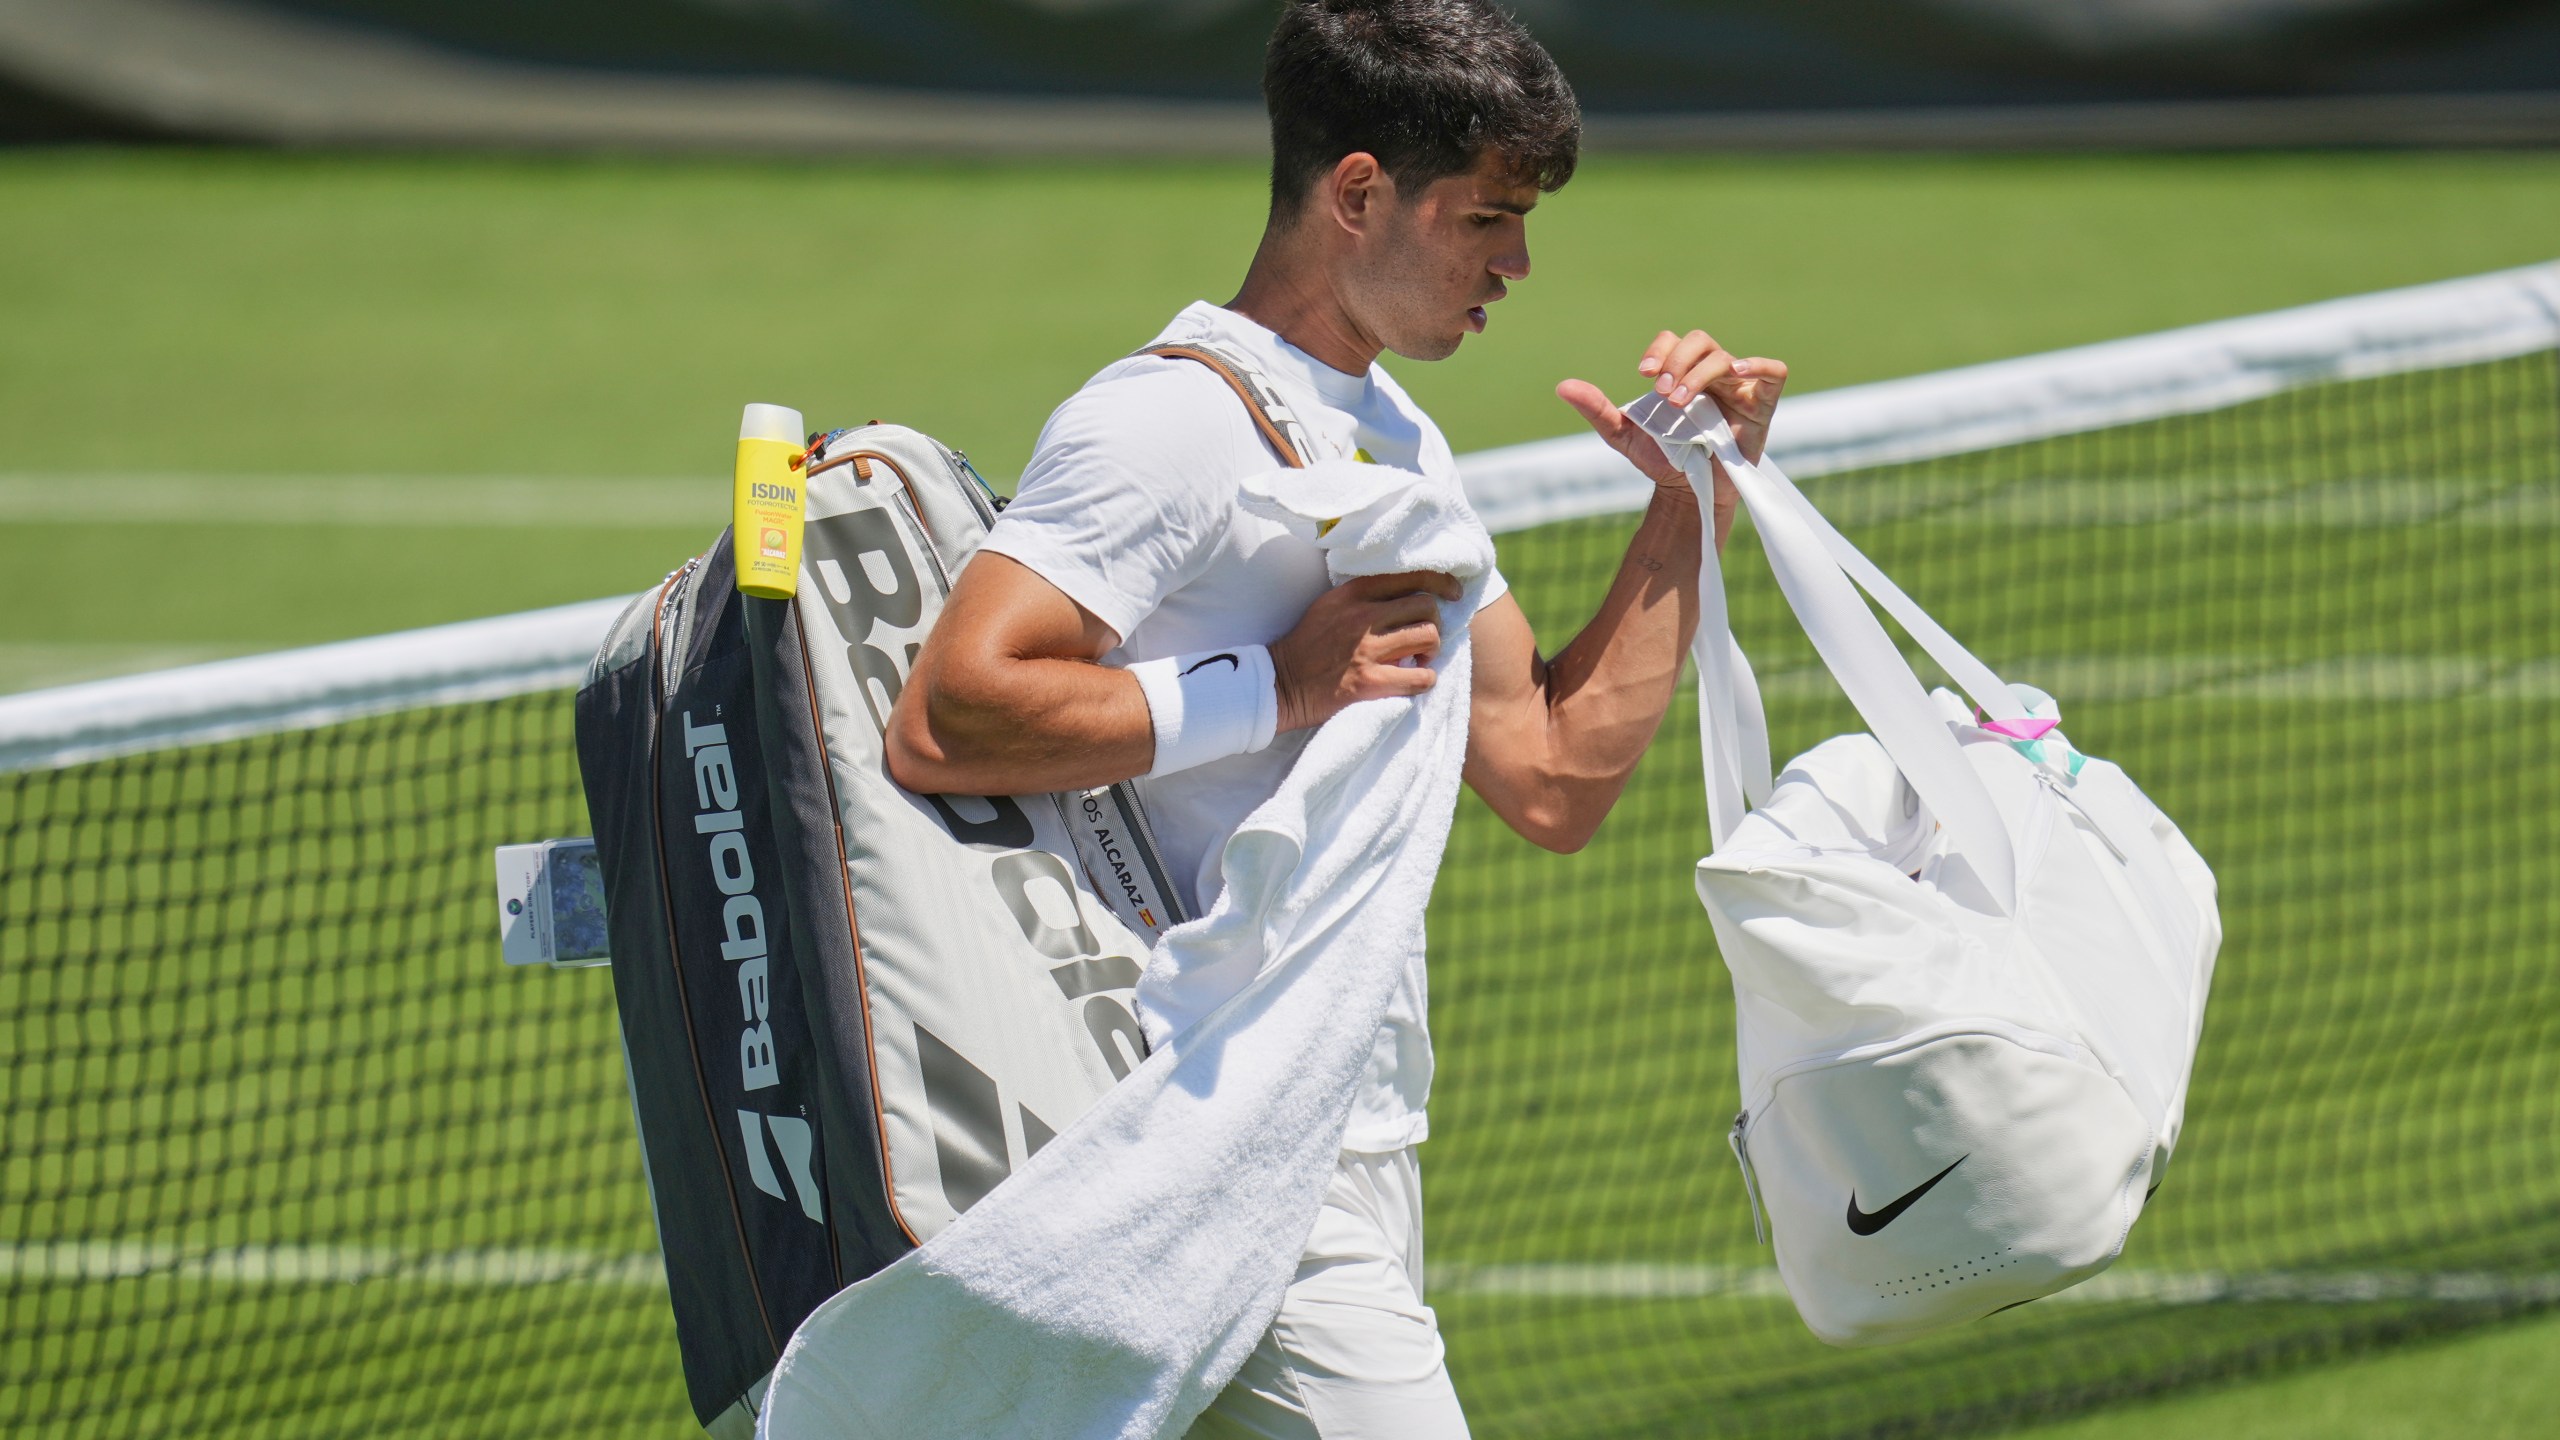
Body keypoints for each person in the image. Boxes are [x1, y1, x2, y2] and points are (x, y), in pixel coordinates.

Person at [884, 2, 1784, 1434]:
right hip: (1200, 1126)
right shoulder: (1166, 424)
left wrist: (1690, 510)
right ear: (1359, 193)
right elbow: (950, 715)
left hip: (1345, 1121)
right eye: (1488, 217)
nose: (1520, 264)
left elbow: (1551, 776)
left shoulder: (1390, 433)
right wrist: (1280, 688)